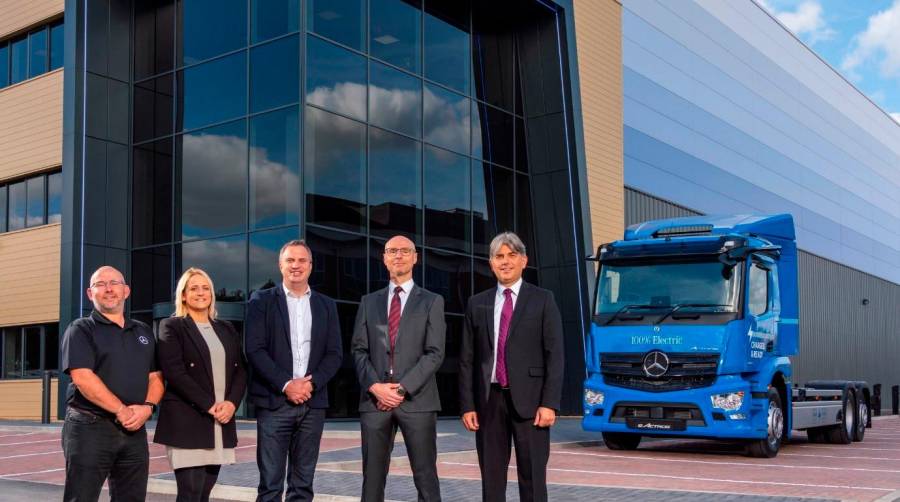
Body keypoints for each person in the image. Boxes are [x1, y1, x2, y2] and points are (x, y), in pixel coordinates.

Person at [458, 232, 564, 502]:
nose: (505, 262)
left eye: (511, 255)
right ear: (491, 264)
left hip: (532, 403)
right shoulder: (476, 303)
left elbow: (555, 355)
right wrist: (468, 405)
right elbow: (467, 359)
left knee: (533, 478)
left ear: (523, 260)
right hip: (488, 402)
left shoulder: (543, 299)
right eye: (498, 256)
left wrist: (549, 403)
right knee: (491, 479)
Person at [244, 240, 343, 502]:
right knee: (270, 486)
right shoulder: (261, 300)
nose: (296, 266)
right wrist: (287, 384)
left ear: (311, 266)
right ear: (280, 265)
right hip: (275, 403)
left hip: (313, 403)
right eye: (290, 260)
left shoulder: (327, 305)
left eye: (301, 261)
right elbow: (254, 349)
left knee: (303, 486)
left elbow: (335, 354)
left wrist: (311, 384)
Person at [351, 235, 446, 502]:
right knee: (372, 478)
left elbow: (435, 352)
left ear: (416, 257)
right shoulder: (368, 302)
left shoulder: (432, 301)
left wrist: (401, 389)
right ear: (384, 258)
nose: (398, 255)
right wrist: (375, 387)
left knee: (425, 476)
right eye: (392, 251)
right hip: (374, 402)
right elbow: (358, 350)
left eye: (405, 251)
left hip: (417, 401)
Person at [60, 265, 165, 502]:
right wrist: (122, 410)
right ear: (90, 293)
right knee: (81, 497)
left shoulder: (143, 331)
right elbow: (83, 377)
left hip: (134, 431)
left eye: (114, 283)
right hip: (90, 428)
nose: (109, 289)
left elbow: (156, 377)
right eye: (100, 284)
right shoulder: (81, 329)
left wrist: (148, 407)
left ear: (126, 291)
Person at [154, 268, 247, 502]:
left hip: (220, 421)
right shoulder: (171, 326)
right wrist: (210, 405)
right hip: (188, 420)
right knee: (190, 493)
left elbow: (241, 370)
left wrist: (232, 404)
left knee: (204, 491)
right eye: (193, 288)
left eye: (205, 288)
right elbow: (175, 373)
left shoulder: (226, 328)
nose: (200, 293)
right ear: (183, 295)